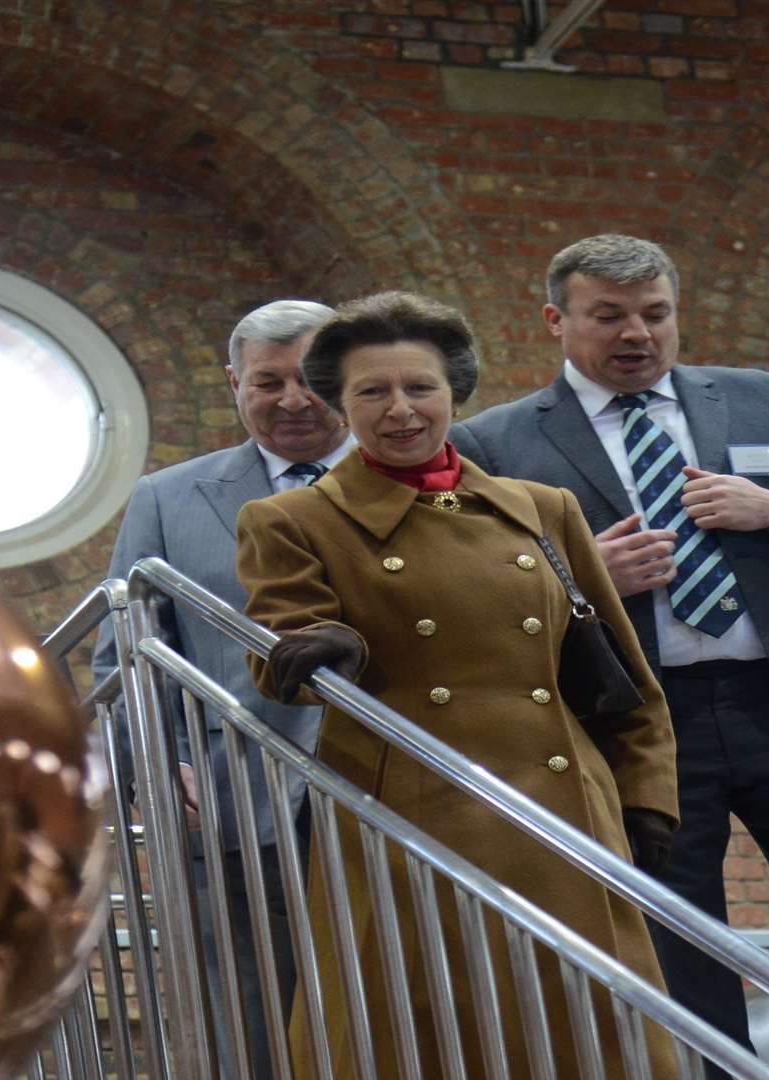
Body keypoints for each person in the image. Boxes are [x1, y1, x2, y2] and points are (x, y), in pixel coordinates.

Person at [451, 233, 769, 1078]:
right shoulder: (494, 443)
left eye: (656, 314)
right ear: (557, 321)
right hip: (638, 723)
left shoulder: (768, 400)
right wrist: (588, 576)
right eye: (610, 317)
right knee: (678, 943)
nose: (638, 334)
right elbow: (483, 607)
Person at [236, 290, 680, 1079]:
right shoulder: (293, 519)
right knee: (425, 1034)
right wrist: (322, 644)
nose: (400, 411)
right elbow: (277, 658)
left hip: (563, 809)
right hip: (408, 812)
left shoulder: (542, 509)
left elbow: (620, 670)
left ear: (454, 396)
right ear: (343, 406)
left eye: (421, 388)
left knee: (591, 1032)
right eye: (373, 392)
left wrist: (644, 795)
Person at [92, 298, 351, 1080]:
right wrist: (155, 766)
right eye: (267, 382)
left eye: (309, 379)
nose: (292, 399)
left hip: (393, 788)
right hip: (231, 798)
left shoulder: (414, 484)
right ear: (235, 384)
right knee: (251, 1015)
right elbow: (125, 655)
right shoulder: (169, 498)